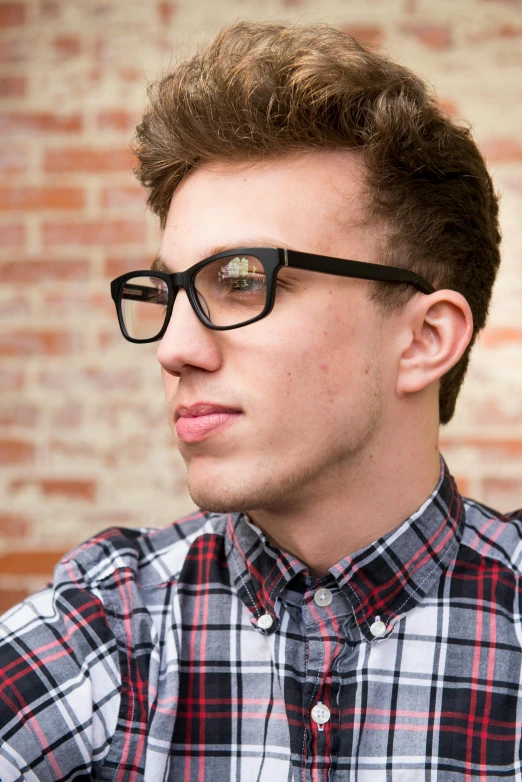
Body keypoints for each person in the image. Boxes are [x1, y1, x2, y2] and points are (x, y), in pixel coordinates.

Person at [0, 20, 520, 782]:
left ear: (424, 340)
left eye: (242, 280)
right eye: (168, 291)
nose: (175, 347)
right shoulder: (111, 625)